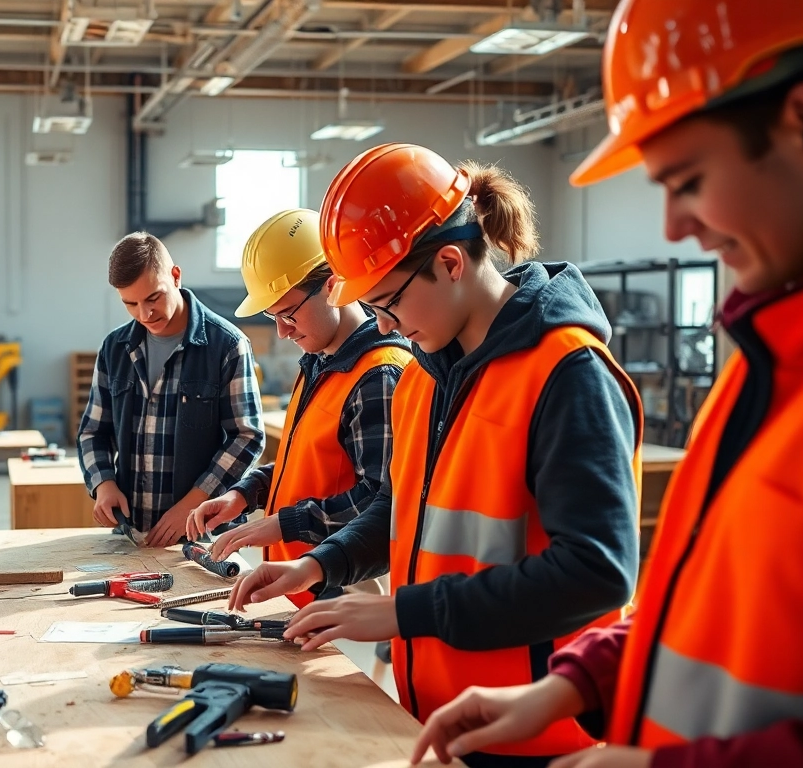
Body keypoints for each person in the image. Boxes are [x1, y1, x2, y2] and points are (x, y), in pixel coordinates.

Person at [411, 2, 803, 767]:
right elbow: (699, 602)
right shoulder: (768, 361)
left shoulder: (578, 367)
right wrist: (572, 682)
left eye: (690, 180)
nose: (672, 227)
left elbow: (599, 568)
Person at [229, 145, 643, 768]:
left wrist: (404, 612)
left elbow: (597, 571)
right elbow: (404, 507)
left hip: (535, 736)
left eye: (388, 303)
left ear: (450, 263)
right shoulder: (427, 376)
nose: (386, 326)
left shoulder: (565, 373)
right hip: (441, 716)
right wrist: (319, 564)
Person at [185, 209, 413, 608]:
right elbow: (309, 464)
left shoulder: (379, 375)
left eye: (288, 314)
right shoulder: (321, 361)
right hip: (299, 586)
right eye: (273, 317)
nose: (281, 331)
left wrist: (285, 524)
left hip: (343, 588)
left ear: (334, 286)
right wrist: (245, 494)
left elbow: (380, 500)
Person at [78, 232, 264, 548]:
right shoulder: (114, 349)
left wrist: (194, 501)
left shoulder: (228, 345)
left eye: (153, 298)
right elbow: (93, 432)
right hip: (132, 535)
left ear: (176, 276)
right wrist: (104, 484)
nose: (144, 315)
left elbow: (247, 436)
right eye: (130, 304)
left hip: (205, 535)